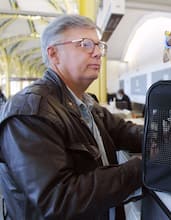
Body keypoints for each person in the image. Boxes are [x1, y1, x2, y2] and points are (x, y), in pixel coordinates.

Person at [0, 15, 143, 219]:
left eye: (98, 45)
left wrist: (168, 136)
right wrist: (142, 167)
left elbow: (124, 131)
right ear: (54, 54)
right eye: (85, 44)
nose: (97, 53)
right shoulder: (29, 112)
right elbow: (59, 199)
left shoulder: (85, 102)